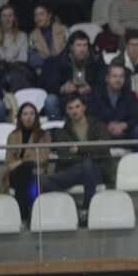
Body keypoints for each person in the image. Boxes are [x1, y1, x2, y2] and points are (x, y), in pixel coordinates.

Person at [44, 93, 113, 223]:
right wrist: (92, 152)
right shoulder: (62, 133)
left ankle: (87, 208)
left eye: (77, 106)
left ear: (84, 107)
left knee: (88, 165)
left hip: (97, 170)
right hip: (73, 171)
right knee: (46, 182)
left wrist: (80, 149)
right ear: (66, 110)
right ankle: (79, 209)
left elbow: (105, 147)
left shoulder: (98, 126)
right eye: (70, 108)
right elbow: (65, 156)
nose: (74, 111)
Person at [0, 102, 51, 221]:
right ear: (20, 117)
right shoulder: (13, 136)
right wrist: (21, 164)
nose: (28, 117)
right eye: (25, 114)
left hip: (38, 171)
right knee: (20, 173)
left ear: (36, 117)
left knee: (29, 167)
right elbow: (9, 161)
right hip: (18, 173)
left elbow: (42, 158)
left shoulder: (44, 135)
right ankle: (27, 214)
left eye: (32, 114)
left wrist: (20, 162)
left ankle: (23, 216)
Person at [41, 30, 105, 119]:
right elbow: (50, 84)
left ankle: (92, 130)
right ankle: (56, 130)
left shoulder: (96, 59)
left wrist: (90, 88)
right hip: (66, 99)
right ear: (71, 47)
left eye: (85, 45)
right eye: (79, 45)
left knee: (101, 99)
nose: (82, 49)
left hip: (89, 99)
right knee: (50, 101)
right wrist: (62, 88)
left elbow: (104, 83)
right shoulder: (60, 60)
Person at [89, 63, 138, 142]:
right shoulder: (96, 94)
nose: (118, 80)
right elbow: (91, 117)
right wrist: (106, 126)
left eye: (121, 76)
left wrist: (123, 125)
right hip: (103, 131)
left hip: (126, 132)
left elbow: (137, 117)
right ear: (107, 78)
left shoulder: (130, 95)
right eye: (114, 76)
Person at [0, 3, 33, 91]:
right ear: (0, 19)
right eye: (4, 16)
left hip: (15, 70)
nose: (7, 19)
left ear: (14, 18)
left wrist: (11, 62)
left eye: (10, 16)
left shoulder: (22, 36)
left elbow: (23, 58)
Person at [28, 3, 67, 71]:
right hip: (44, 71)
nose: (38, 18)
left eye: (42, 14)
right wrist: (49, 59)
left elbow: (71, 50)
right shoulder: (32, 36)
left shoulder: (63, 29)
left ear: (49, 15)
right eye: (36, 15)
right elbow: (32, 60)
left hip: (63, 67)